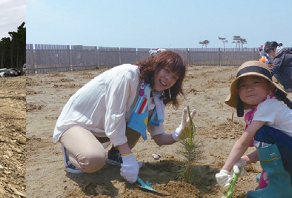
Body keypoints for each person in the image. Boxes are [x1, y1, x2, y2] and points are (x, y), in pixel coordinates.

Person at [54, 51, 194, 181]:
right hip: (78, 124)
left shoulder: (155, 96)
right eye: (167, 70)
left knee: (141, 118)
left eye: (175, 77)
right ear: (155, 65)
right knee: (94, 161)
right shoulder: (128, 75)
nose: (168, 79)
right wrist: (128, 156)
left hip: (102, 129)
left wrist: (177, 135)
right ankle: (71, 151)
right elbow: (114, 117)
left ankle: (116, 155)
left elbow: (158, 137)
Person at [217, 62, 292, 198]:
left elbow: (244, 141)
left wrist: (225, 170)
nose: (249, 88)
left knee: (261, 133)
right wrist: (243, 160)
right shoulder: (265, 106)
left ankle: (280, 189)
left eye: (256, 82)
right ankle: (287, 179)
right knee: (265, 134)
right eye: (243, 85)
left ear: (270, 87)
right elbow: (275, 146)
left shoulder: (267, 107)